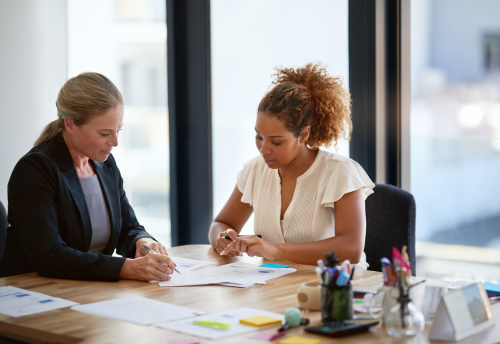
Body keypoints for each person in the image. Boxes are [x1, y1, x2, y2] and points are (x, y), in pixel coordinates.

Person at [0, 72, 175, 281]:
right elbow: (50, 257)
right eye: (104, 134)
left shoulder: (104, 163)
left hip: (89, 291)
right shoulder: (34, 170)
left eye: (118, 130)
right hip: (36, 293)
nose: (115, 142)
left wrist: (142, 242)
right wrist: (127, 268)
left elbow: (128, 228)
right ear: (70, 125)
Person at [209, 64, 375, 268]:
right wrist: (223, 238)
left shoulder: (340, 172)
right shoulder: (255, 170)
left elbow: (352, 249)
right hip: (276, 287)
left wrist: (275, 250)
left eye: (276, 142)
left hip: (334, 289)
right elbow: (221, 224)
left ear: (304, 135)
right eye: (259, 137)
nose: (264, 149)